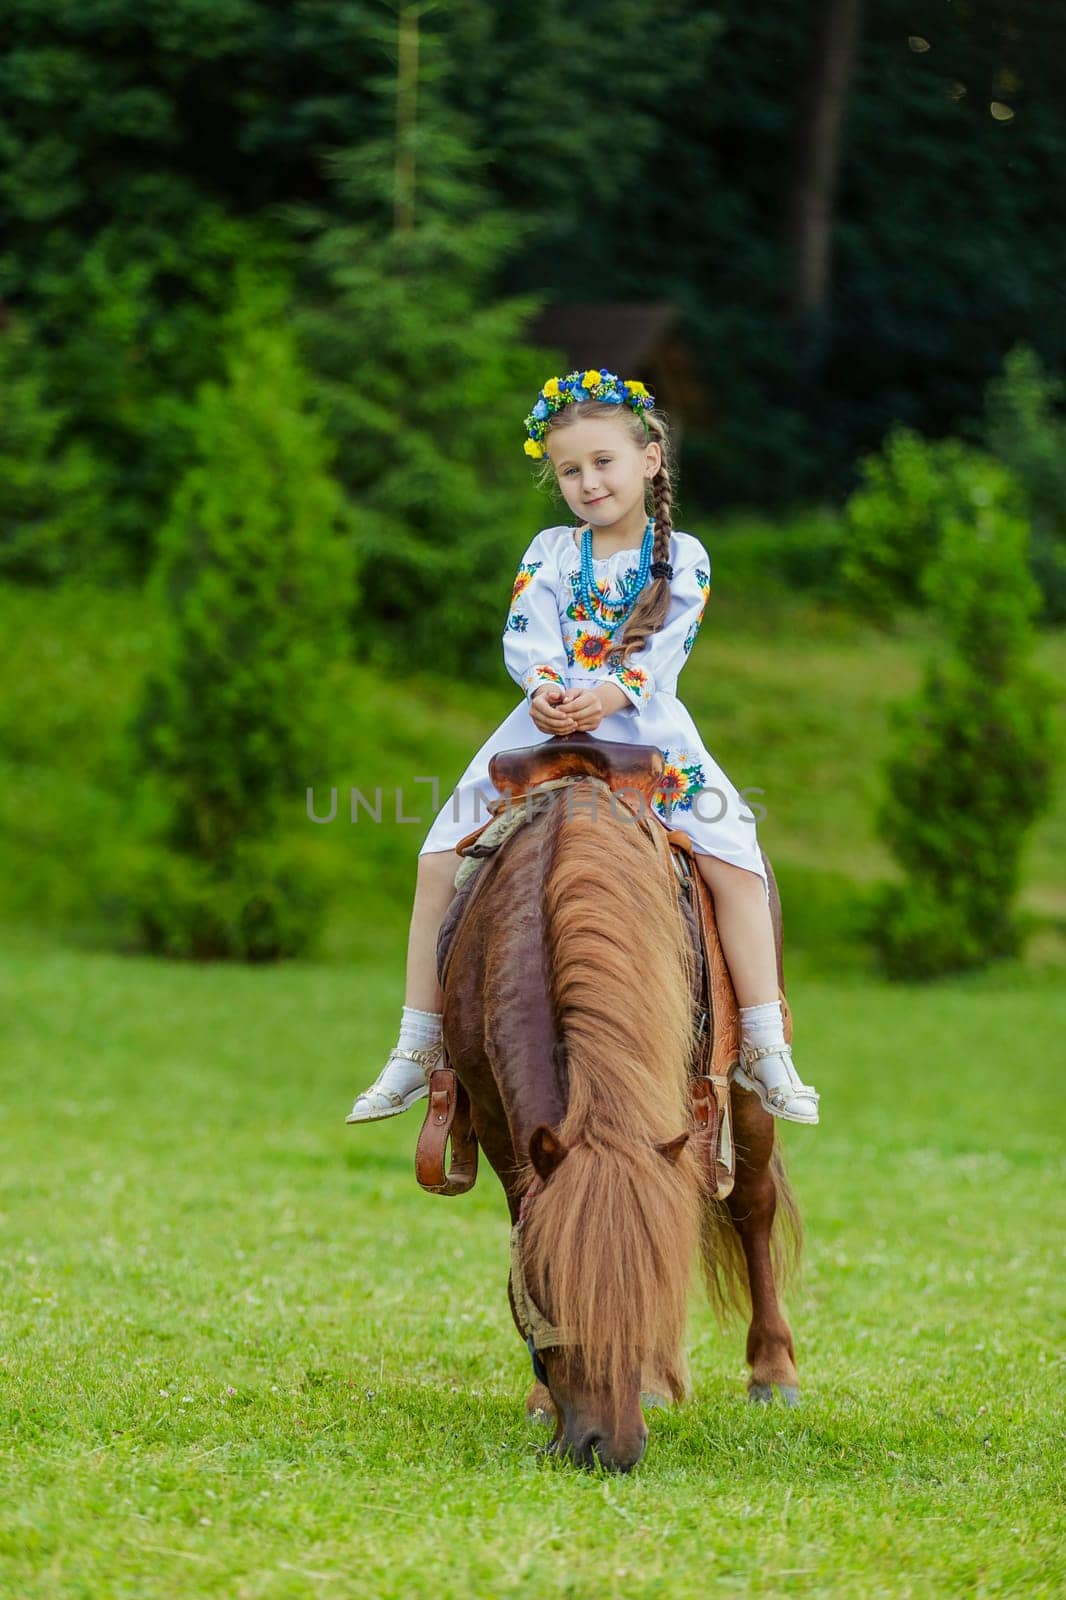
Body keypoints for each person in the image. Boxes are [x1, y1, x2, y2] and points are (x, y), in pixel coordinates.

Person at [346, 368, 819, 1127]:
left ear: (649, 461)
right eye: (570, 470)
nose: (588, 482)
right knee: (439, 856)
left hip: (646, 732)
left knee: (736, 853)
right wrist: (543, 688)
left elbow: (667, 646)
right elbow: (525, 632)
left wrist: (610, 693)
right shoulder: (550, 550)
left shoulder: (685, 556)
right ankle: (416, 1044)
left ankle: (763, 1042)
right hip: (543, 725)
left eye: (604, 462)